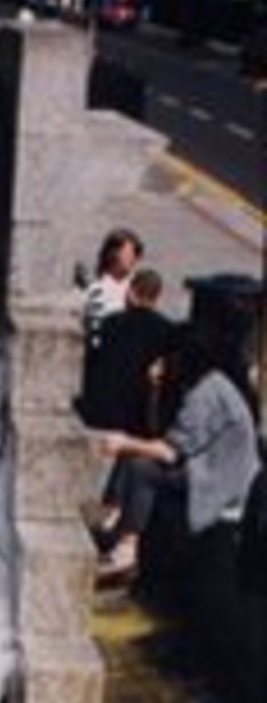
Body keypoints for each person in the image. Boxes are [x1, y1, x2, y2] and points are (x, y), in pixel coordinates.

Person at [91, 331, 259, 586]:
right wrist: (155, 391)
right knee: (135, 453)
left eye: (163, 359)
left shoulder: (205, 394)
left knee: (141, 468)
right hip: (206, 465)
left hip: (220, 478)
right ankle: (116, 517)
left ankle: (128, 547)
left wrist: (123, 443)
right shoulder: (201, 385)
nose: (157, 365)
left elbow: (169, 451)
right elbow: (156, 430)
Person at [79, 268, 177, 435]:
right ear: (156, 298)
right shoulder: (167, 331)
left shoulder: (109, 323)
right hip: (136, 418)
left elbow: (90, 365)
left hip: (99, 413)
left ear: (131, 292)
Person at [81, 226, 145, 354]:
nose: (133, 259)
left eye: (136, 254)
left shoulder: (139, 288)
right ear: (112, 254)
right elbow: (95, 336)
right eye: (129, 254)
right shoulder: (97, 290)